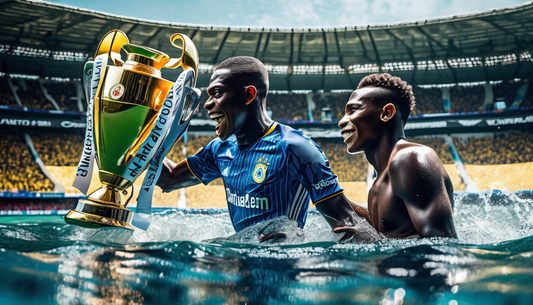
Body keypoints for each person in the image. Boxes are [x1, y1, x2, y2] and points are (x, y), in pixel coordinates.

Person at [157, 56, 372, 242]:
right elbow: (169, 178)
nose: (207, 103)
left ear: (249, 95)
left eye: (217, 93)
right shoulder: (219, 149)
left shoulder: (296, 149)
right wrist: (140, 136)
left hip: (283, 270)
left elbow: (351, 228)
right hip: (240, 269)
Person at [336, 73, 457, 239]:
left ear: (386, 113)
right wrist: (328, 194)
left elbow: (442, 245)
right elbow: (389, 231)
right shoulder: (378, 185)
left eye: (353, 110)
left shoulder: (410, 159)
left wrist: (373, 244)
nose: (342, 121)